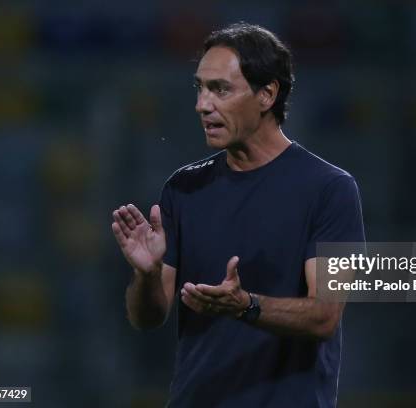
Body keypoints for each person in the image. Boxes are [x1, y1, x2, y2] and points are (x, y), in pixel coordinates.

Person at [111, 22, 365, 408]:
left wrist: (245, 305)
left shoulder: (329, 189)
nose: (202, 104)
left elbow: (324, 316)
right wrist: (146, 275)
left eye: (220, 89)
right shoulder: (183, 189)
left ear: (267, 94)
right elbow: (148, 317)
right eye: (200, 88)